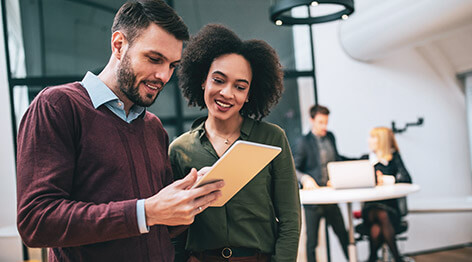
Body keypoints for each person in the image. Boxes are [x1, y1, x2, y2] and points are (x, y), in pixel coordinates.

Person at [15, 1, 225, 261]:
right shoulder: (58, 106)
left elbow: (161, 227)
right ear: (118, 45)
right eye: (154, 58)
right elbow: (36, 222)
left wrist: (192, 198)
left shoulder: (153, 127)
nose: (163, 75)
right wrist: (145, 212)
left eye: (172, 65)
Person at [169, 24, 301, 262]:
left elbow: (290, 219)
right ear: (203, 81)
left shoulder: (272, 138)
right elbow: (175, 226)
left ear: (250, 93)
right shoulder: (180, 150)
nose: (227, 93)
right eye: (218, 80)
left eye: (240, 87)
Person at [293, 105, 350, 262]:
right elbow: (294, 168)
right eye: (320, 122)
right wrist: (305, 178)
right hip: (314, 201)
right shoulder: (303, 142)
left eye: (326, 122)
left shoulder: (330, 137)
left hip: (331, 198)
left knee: (343, 235)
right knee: (312, 243)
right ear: (312, 120)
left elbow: (337, 159)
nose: (324, 126)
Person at [361, 127, 412, 262]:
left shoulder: (393, 158)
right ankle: (397, 258)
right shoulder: (366, 159)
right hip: (370, 209)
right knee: (379, 214)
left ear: (381, 141)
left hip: (390, 209)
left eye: (373, 137)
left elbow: (406, 178)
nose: (369, 140)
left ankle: (372, 258)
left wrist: (387, 179)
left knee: (378, 225)